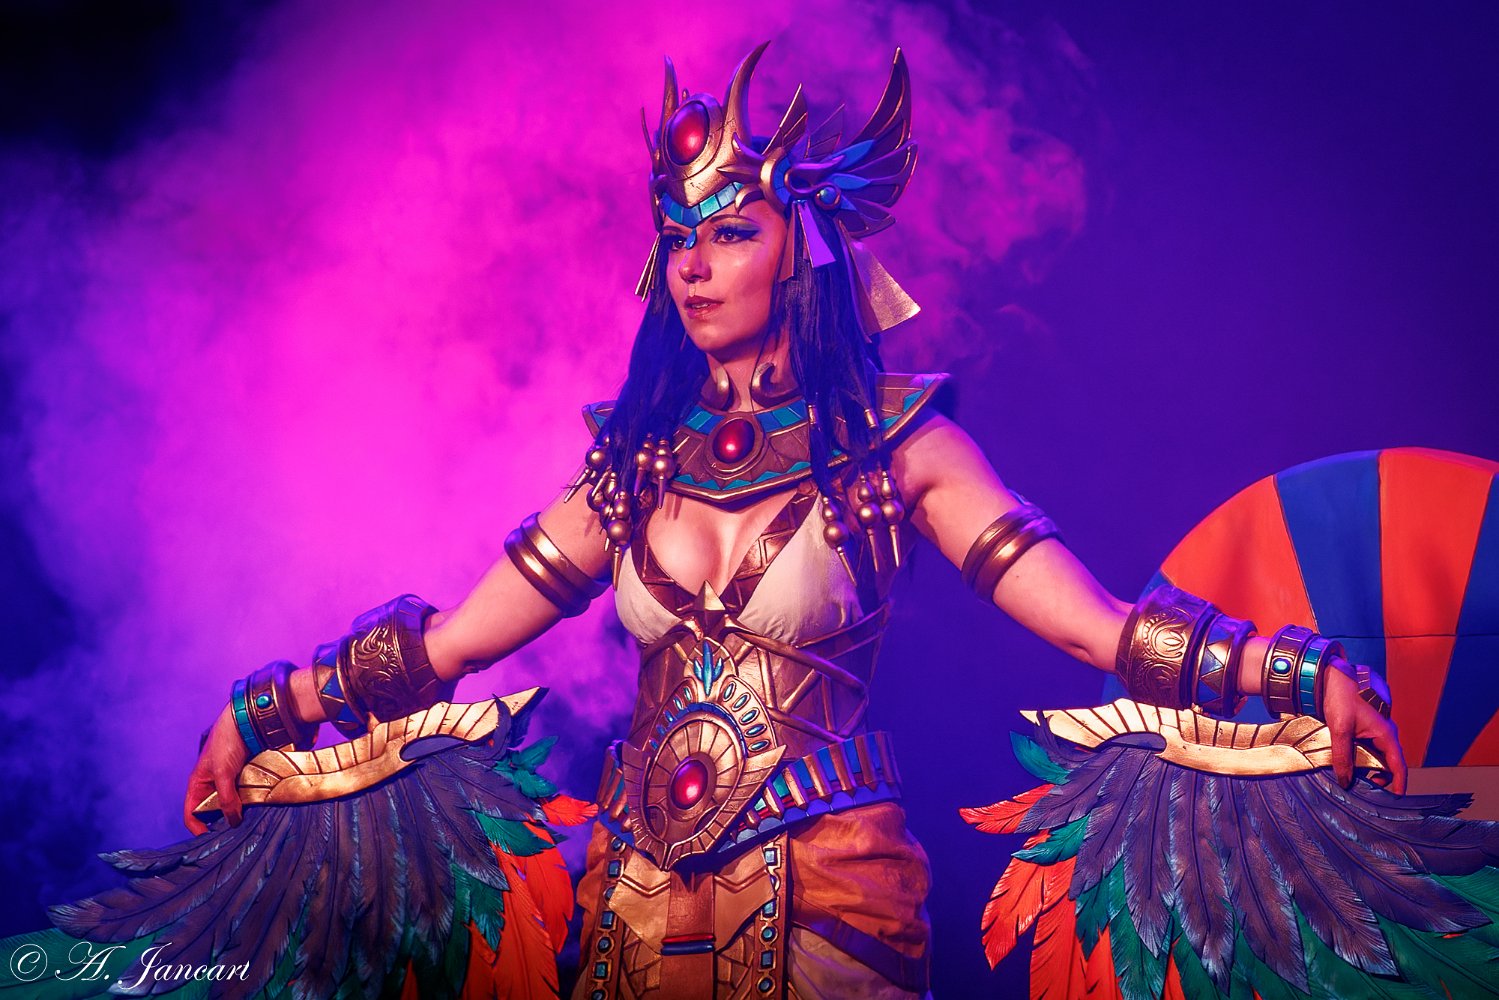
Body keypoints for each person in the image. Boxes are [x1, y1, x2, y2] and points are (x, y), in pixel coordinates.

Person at [183, 44, 1406, 999]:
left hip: (829, 888)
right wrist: (272, 707)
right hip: (630, 893)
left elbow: (1092, 628)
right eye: (678, 238)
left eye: (729, 232)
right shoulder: (630, 466)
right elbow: (453, 643)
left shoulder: (897, 448)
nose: (693, 266)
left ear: (801, 247)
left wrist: (1289, 672)